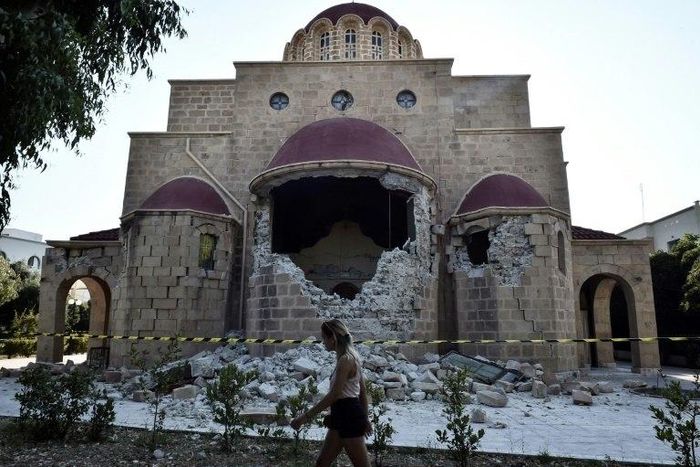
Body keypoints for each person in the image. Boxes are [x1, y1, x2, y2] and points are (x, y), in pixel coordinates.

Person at [290, 319, 371, 467]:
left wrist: (304, 417)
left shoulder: (346, 360)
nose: (322, 342)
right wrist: (365, 419)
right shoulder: (348, 357)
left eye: (323, 338)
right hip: (340, 416)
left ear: (332, 338)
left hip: (349, 417)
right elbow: (362, 393)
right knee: (322, 463)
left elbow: (335, 395)